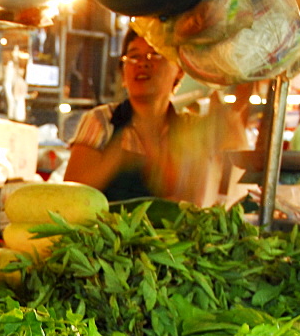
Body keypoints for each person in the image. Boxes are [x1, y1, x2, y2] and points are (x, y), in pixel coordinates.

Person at [63, 28, 247, 205]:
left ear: (180, 71)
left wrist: (232, 116)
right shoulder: (102, 120)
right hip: (105, 234)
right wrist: (115, 158)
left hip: (170, 236)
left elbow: (199, 197)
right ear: (123, 72)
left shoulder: (190, 128)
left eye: (155, 54)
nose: (143, 63)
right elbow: (72, 195)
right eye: (134, 56)